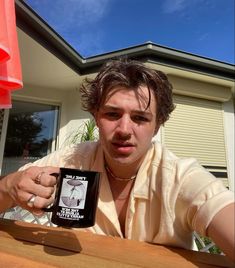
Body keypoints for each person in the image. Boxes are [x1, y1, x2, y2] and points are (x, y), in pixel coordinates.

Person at [0, 59, 234, 262]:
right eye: (112, 114)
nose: (124, 129)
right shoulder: (73, 158)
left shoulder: (179, 176)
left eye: (140, 118)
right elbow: (10, 189)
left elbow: (219, 207)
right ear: (96, 117)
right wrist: (9, 186)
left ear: (156, 127)